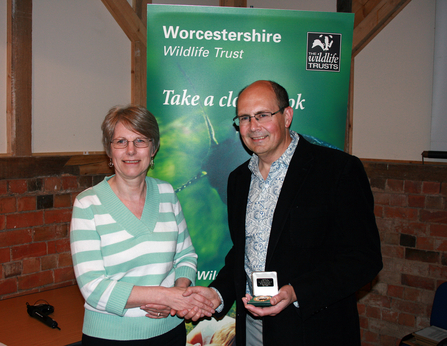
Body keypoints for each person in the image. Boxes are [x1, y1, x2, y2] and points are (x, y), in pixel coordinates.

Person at [180, 80, 383, 345]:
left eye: (263, 115)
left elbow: (363, 258)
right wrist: (218, 294)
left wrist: (295, 292)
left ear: (287, 116)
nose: (253, 127)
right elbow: (243, 253)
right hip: (251, 326)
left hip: (313, 329)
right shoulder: (238, 180)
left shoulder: (337, 170)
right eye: (244, 118)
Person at [70, 105, 214, 346]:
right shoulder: (87, 204)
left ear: (154, 148)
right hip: (110, 338)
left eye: (140, 141)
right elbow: (93, 287)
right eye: (121, 141)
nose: (131, 151)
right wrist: (167, 296)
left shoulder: (167, 193)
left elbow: (186, 255)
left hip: (170, 330)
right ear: (109, 150)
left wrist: (179, 291)